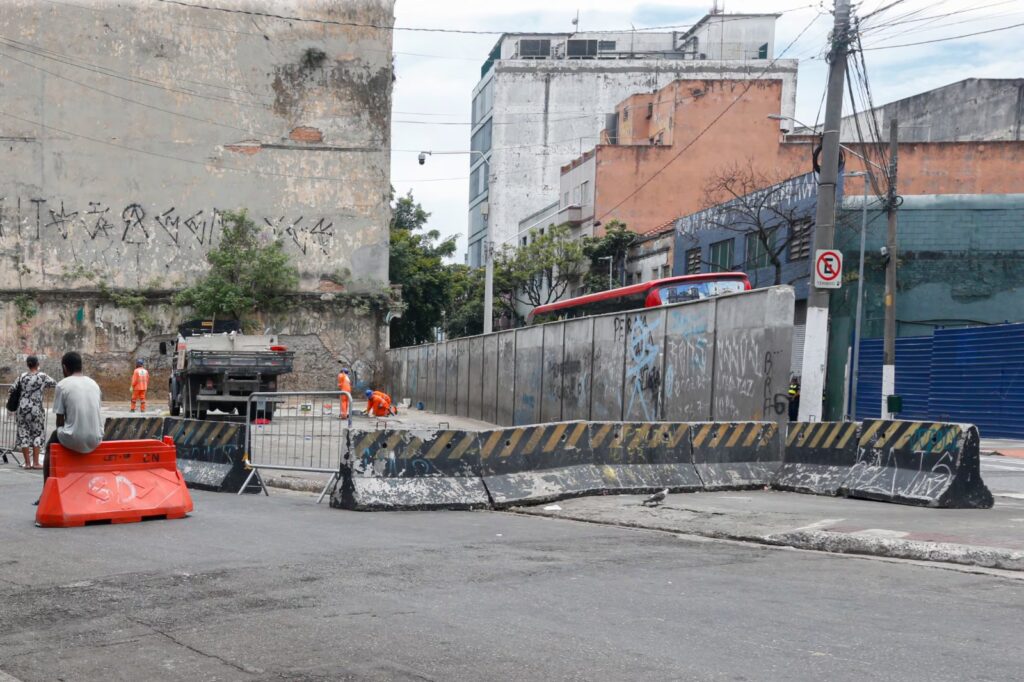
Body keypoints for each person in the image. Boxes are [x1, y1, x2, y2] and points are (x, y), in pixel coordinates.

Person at [38, 351, 103, 497]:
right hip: (97, 438)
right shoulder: (94, 384)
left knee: (51, 444)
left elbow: (59, 420)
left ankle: (46, 492)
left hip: (75, 438)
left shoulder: (62, 385)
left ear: (65, 368)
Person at [7, 356, 56, 469]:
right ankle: (36, 463)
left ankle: (27, 463)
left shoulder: (21, 377)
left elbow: (11, 389)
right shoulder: (42, 376)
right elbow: (54, 383)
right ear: (37, 363)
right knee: (37, 433)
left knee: (23, 433)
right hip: (36, 409)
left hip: (22, 408)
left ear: (27, 364)